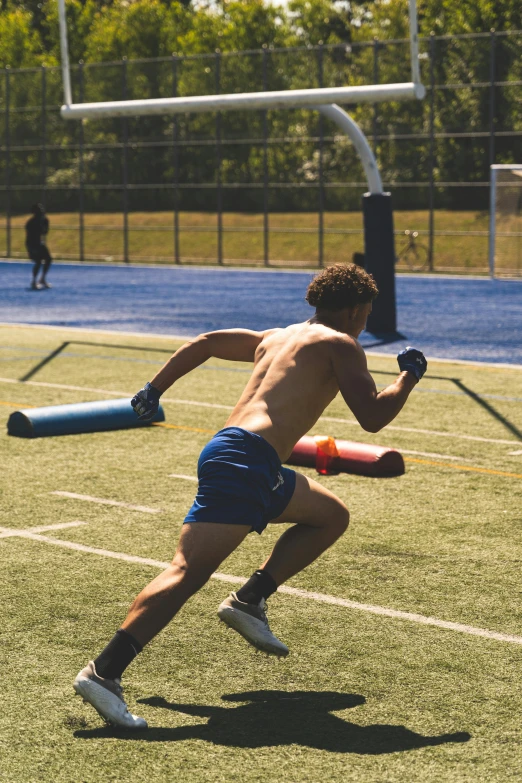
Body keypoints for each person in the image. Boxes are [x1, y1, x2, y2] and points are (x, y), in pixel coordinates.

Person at [73, 263, 427, 729]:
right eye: (366, 313)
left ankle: (248, 600)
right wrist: (409, 376)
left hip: (242, 455)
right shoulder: (342, 344)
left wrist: (154, 389)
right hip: (247, 461)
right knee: (186, 571)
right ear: (358, 308)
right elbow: (373, 417)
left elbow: (206, 343)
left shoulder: (277, 336)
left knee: (329, 516)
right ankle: (103, 673)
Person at [25, 203, 52, 290]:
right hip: (32, 243)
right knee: (38, 261)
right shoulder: (31, 222)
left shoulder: (44, 220)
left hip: (39, 243)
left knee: (48, 259)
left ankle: (42, 279)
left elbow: (45, 232)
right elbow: (33, 233)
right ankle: (34, 281)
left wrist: (45, 225)